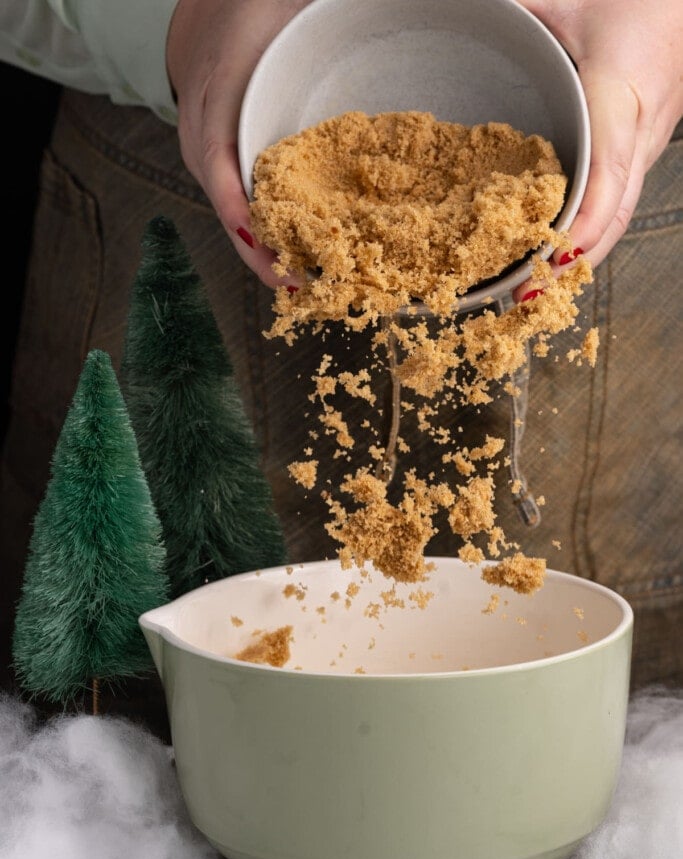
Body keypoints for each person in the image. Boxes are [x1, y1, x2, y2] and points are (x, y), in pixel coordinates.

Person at [0, 0, 681, 739]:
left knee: (593, 751)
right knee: (130, 740)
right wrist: (181, 18)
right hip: (182, 164)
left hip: (632, 195)